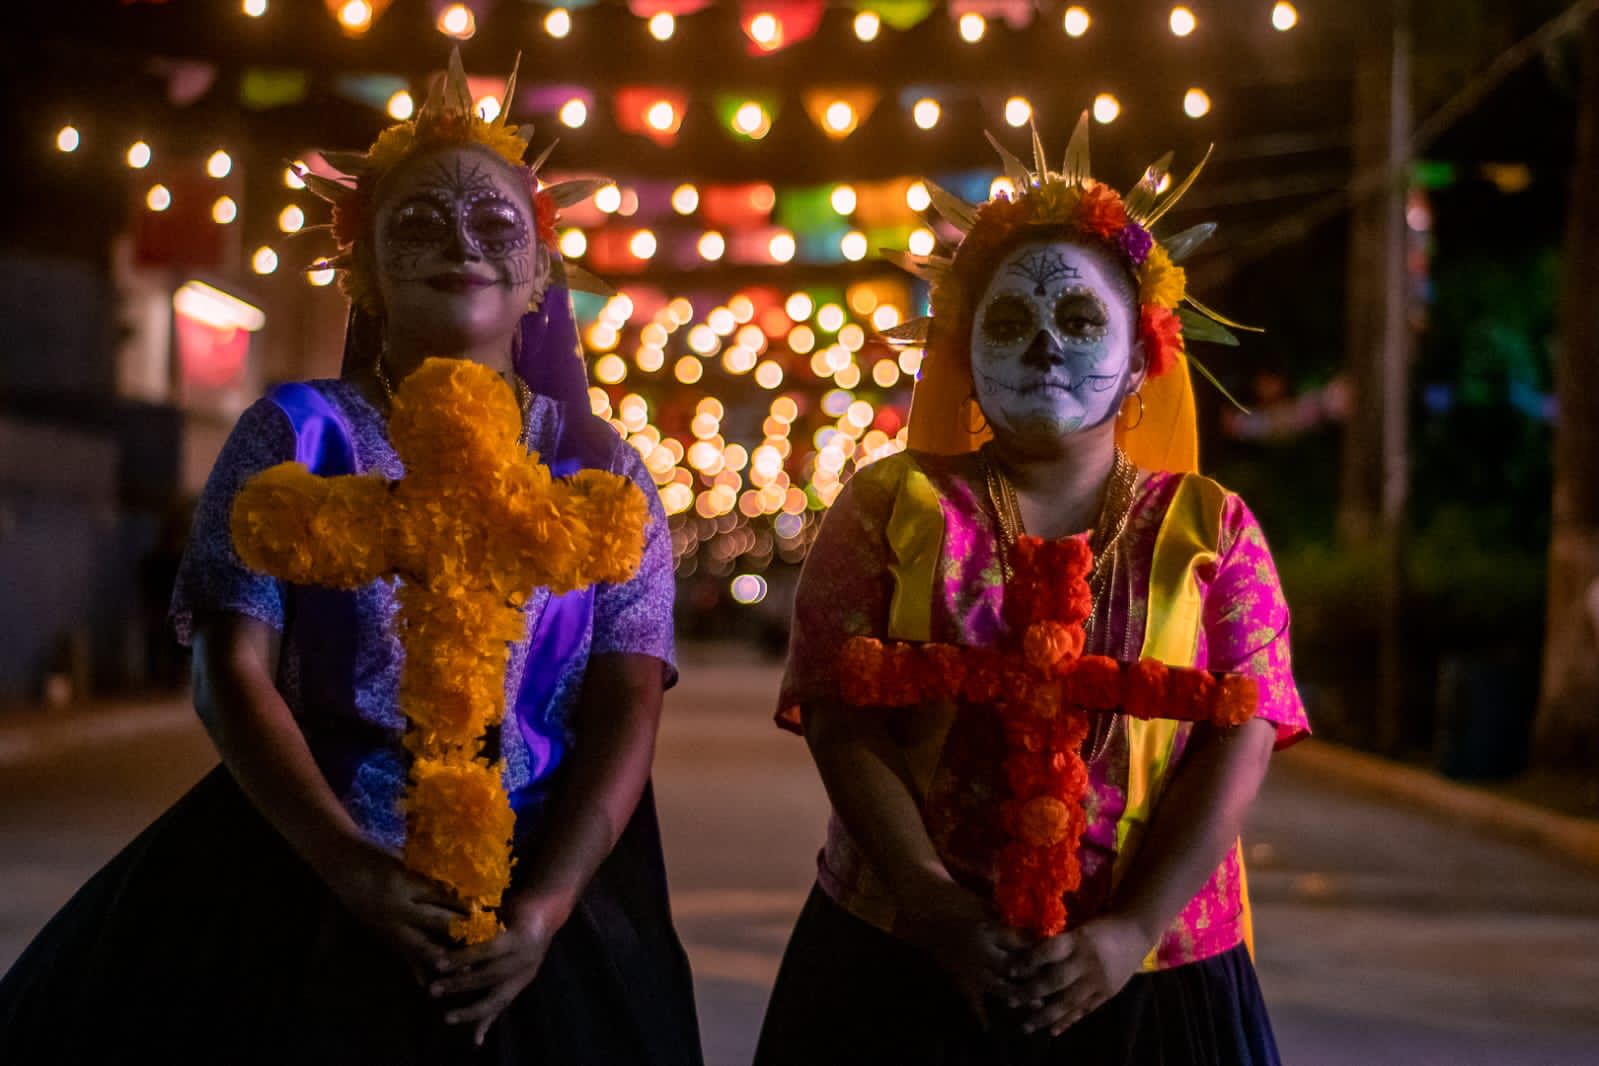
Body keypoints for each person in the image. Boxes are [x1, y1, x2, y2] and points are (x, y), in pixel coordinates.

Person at [0, 51, 702, 1066]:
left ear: (541, 271)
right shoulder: (295, 435)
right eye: (418, 220)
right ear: (362, 263)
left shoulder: (601, 467)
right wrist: (348, 865)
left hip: (536, 879)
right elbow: (231, 669)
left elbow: (629, 700)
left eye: (497, 224)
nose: (461, 240)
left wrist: (546, 910)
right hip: (302, 870)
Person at [755, 116, 1308, 1065]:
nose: (1045, 345)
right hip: (900, 957)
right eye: (1008, 323)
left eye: (1082, 320)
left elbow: (1242, 733)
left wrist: (1129, 932)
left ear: (1142, 357)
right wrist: (936, 909)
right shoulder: (889, 504)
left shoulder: (1214, 528)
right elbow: (837, 716)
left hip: (1156, 972)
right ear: (964, 355)